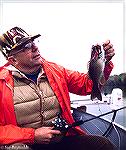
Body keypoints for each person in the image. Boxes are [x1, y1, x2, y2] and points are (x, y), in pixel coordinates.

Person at [0, 27, 116, 150]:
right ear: (13, 60)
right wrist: (32, 135)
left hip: (60, 140)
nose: (35, 48)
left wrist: (104, 62)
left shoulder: (55, 70)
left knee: (103, 145)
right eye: (26, 46)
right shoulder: (2, 82)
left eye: (33, 42)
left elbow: (86, 86)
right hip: (25, 143)